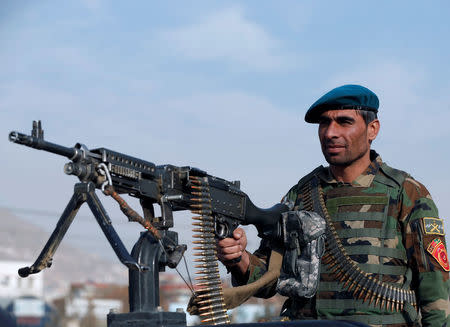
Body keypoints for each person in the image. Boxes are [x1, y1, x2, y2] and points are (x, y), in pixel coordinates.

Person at [217, 85, 450, 327]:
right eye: (324, 123)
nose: (330, 133)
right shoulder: (301, 193)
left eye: (344, 122)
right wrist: (238, 258)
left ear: (373, 129)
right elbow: (268, 277)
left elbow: (434, 287)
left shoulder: (406, 193)